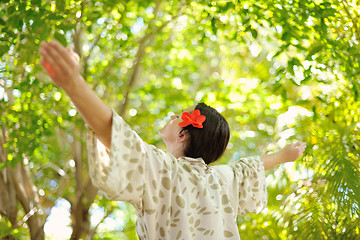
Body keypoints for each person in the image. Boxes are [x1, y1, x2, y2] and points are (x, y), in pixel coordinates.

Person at [39, 40, 306, 239]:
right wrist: (284, 156)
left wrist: (73, 84)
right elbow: (251, 167)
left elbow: (116, 136)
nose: (171, 115)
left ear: (183, 133)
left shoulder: (164, 170)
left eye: (177, 115)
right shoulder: (222, 178)